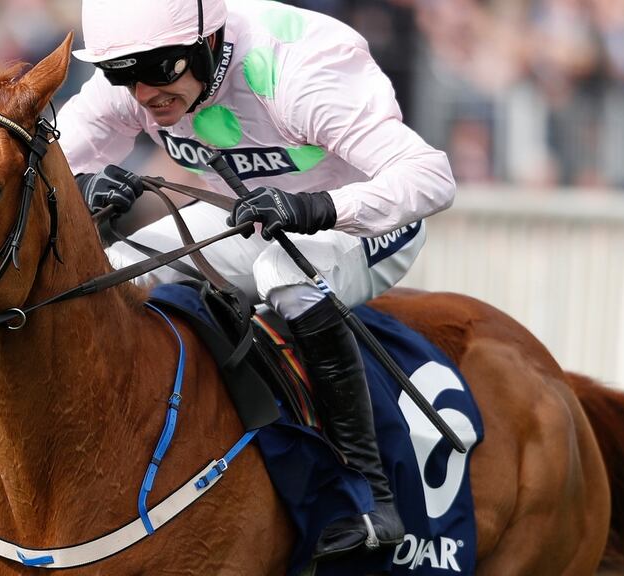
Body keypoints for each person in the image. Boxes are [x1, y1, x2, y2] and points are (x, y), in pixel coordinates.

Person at [56, 0, 456, 559]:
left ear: (210, 43)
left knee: (283, 272)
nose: (143, 92)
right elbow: (46, 157)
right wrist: (79, 188)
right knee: (119, 267)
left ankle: (368, 492)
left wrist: (314, 207)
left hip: (366, 217)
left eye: (160, 69)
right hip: (254, 215)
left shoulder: (298, 72)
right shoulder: (139, 71)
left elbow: (432, 179)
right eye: (123, 74)